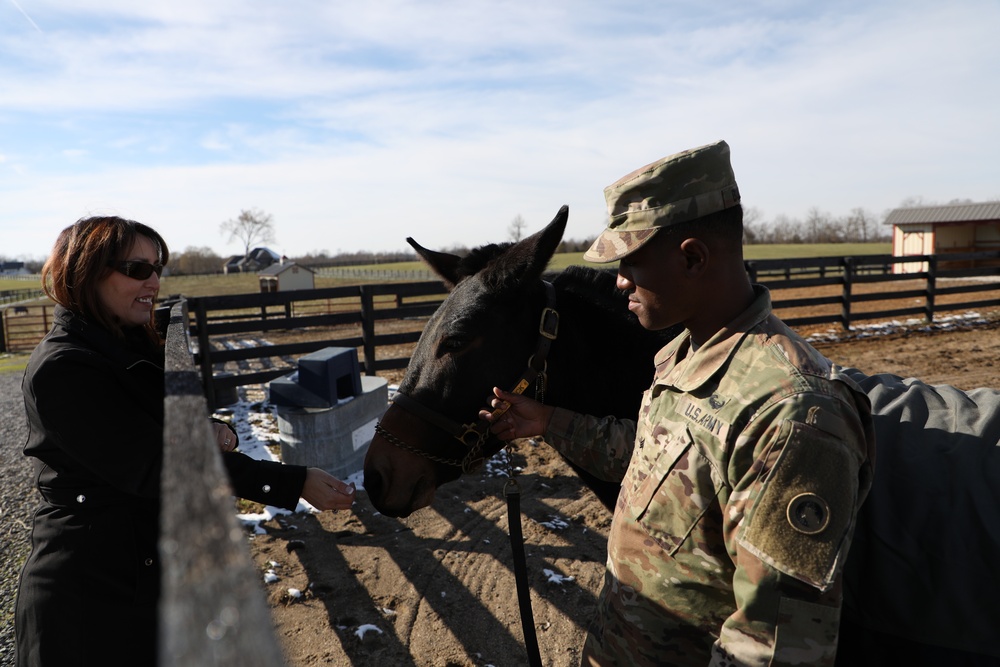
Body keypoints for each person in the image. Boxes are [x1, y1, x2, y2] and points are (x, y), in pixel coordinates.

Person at [482, 141, 876, 666]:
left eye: (631, 264)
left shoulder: (794, 415)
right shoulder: (685, 354)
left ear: (693, 257)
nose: (619, 281)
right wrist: (549, 422)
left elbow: (771, 647)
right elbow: (663, 462)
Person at [15, 216, 356, 667]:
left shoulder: (124, 345)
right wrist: (292, 482)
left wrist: (214, 428)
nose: (154, 281)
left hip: (136, 568)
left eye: (158, 267)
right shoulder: (64, 369)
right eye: (137, 269)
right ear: (87, 272)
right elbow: (160, 466)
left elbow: (165, 426)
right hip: (90, 596)